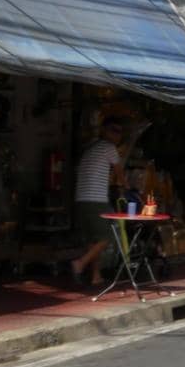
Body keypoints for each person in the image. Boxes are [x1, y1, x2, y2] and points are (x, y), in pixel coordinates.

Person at [70, 118, 132, 287]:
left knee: (93, 240)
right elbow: (119, 172)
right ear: (104, 130)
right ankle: (80, 264)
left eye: (120, 131)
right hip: (95, 200)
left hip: (81, 200)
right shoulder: (109, 148)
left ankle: (96, 276)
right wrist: (127, 187)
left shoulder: (91, 148)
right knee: (107, 237)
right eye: (114, 130)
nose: (117, 135)